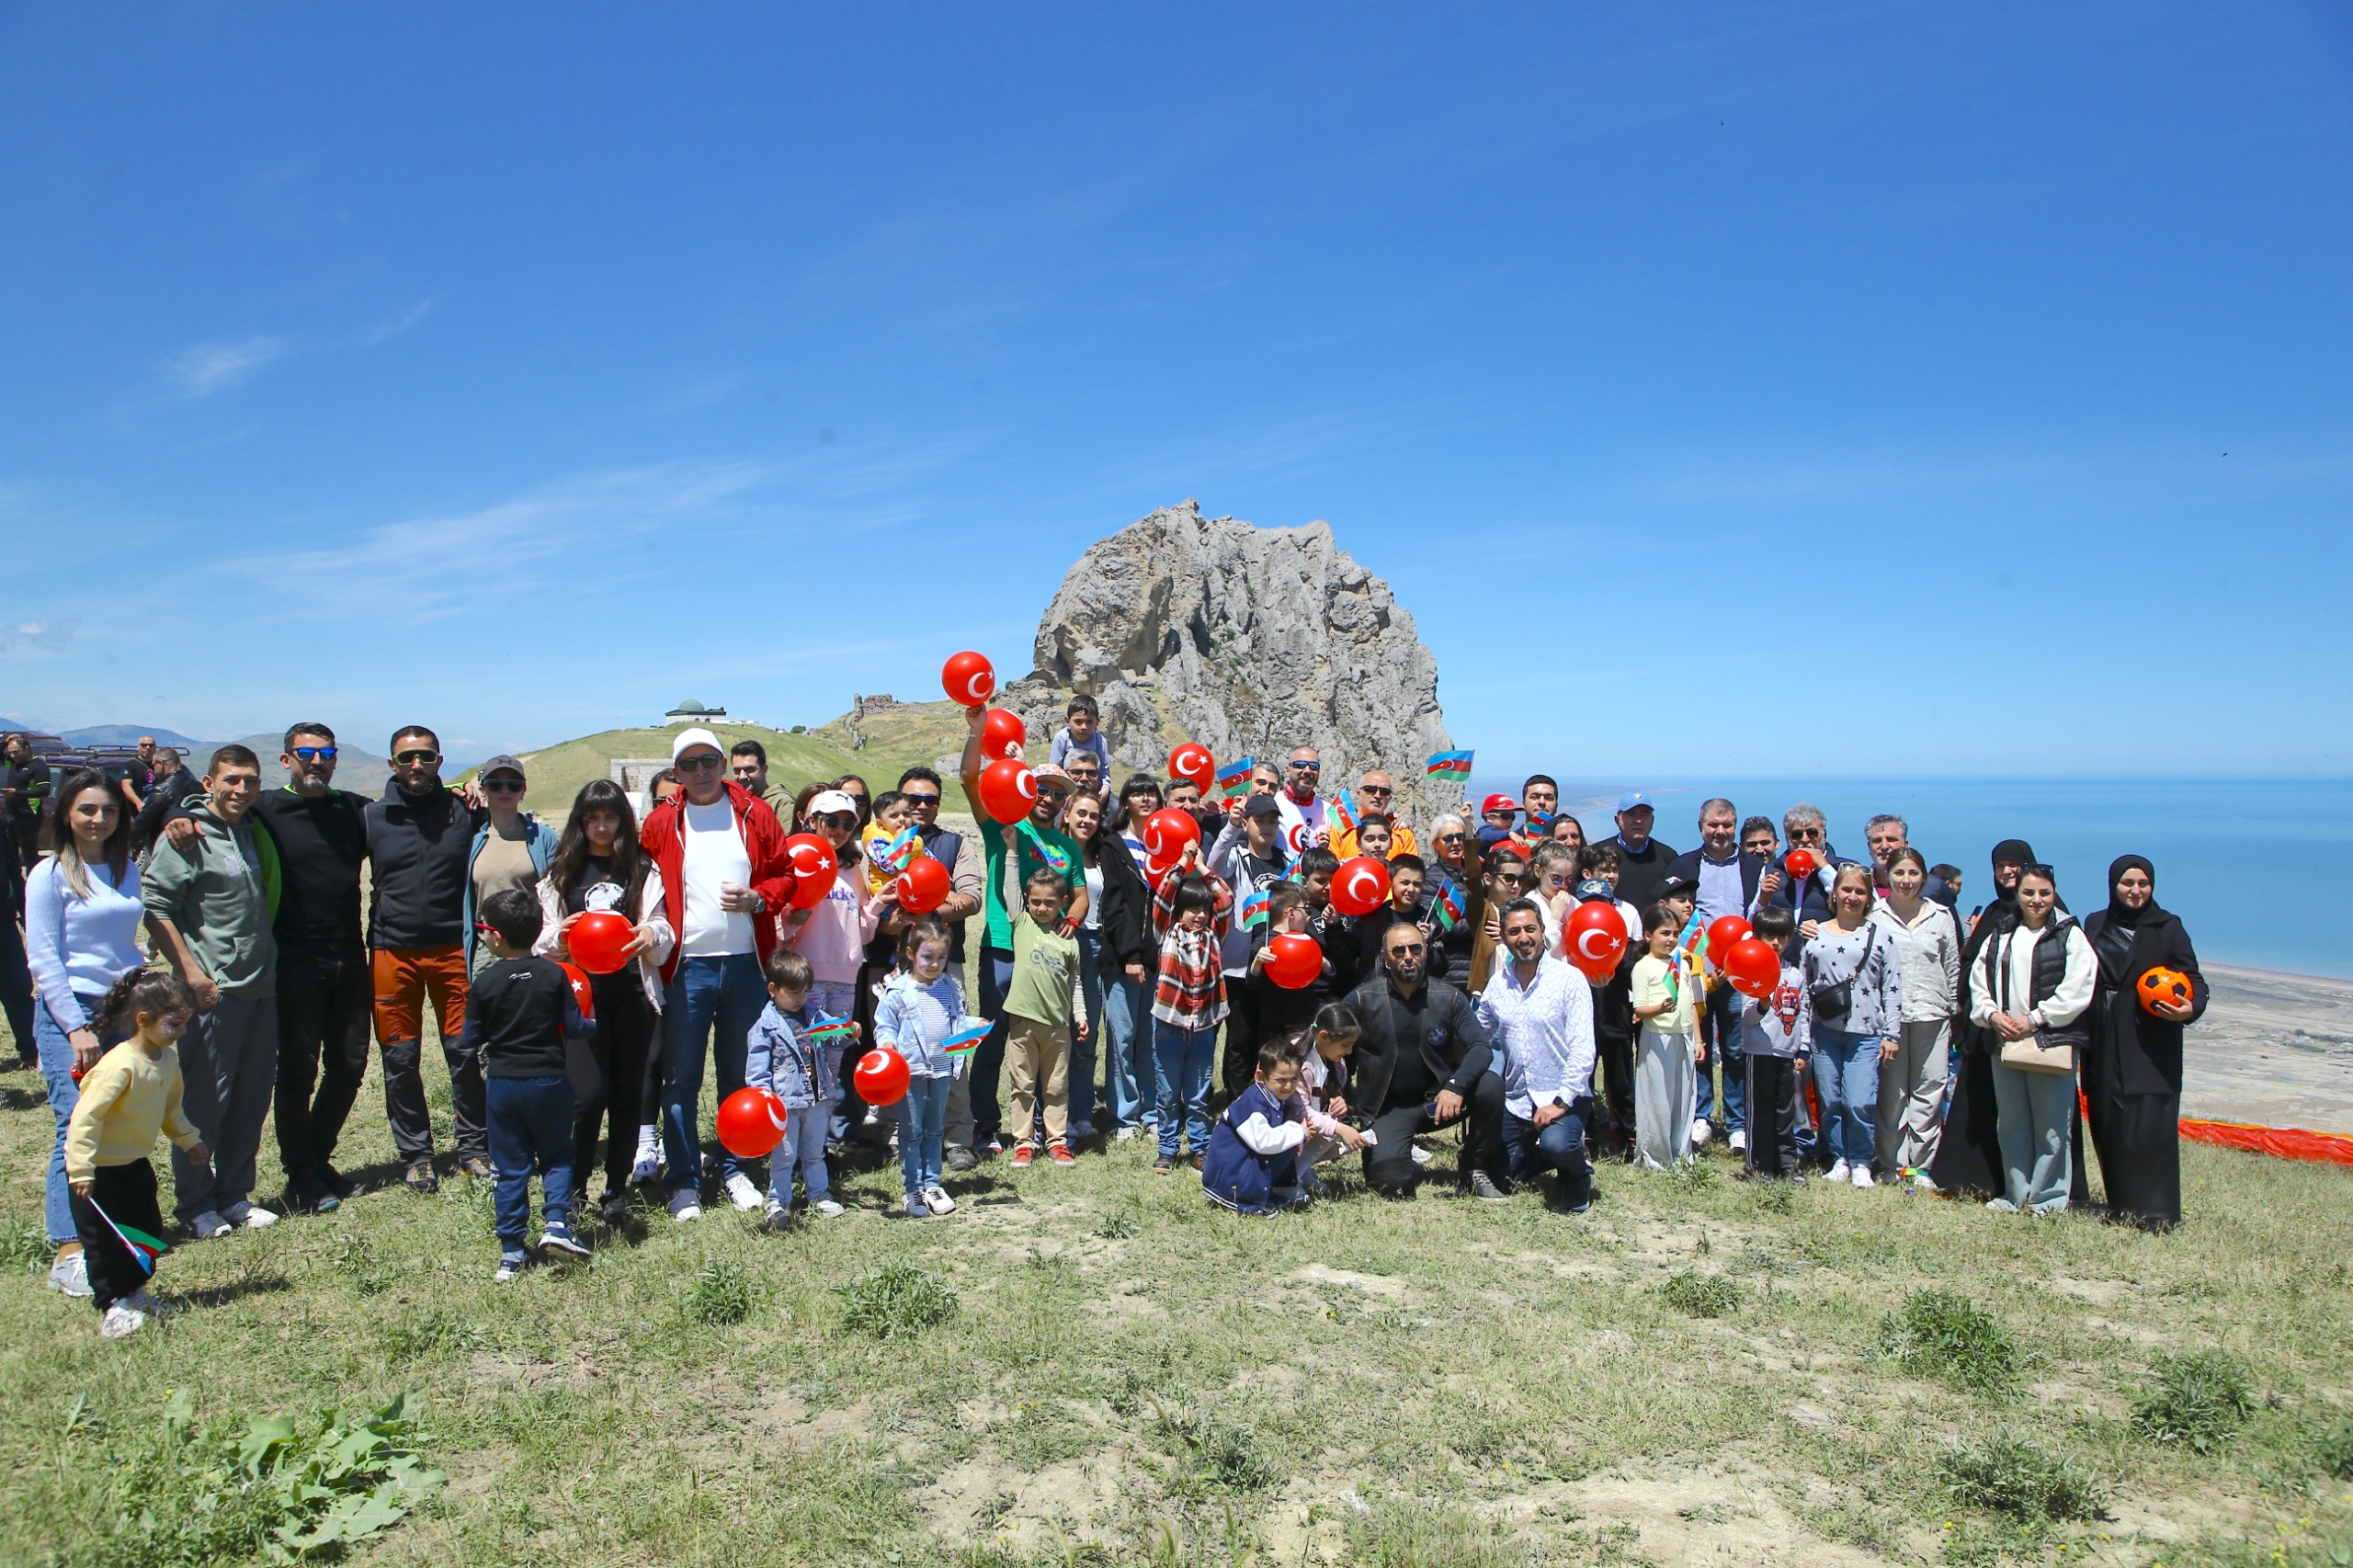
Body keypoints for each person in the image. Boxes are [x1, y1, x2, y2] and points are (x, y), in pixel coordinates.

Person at [639, 726, 796, 1222]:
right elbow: (644, 884)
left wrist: (758, 898)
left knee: (740, 1075)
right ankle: (684, 1181)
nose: (701, 771)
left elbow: (785, 874)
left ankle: (736, 1168)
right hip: (686, 968)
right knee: (681, 1078)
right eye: (689, 764)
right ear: (676, 772)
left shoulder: (754, 812)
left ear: (723, 764)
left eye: (709, 760)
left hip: (746, 966)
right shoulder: (662, 822)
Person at [142, 744, 281, 1237]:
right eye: (231, 780)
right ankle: (195, 1204)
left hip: (262, 985)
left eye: (250, 780)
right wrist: (192, 975)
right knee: (206, 1102)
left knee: (250, 1098)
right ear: (209, 783)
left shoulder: (251, 829)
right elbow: (155, 907)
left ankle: (234, 1195)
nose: (241, 789)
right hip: (213, 991)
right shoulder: (189, 836)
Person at [25, 768, 147, 1299]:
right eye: (88, 810)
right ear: (66, 814)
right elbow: (43, 955)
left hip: (123, 1009)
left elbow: (124, 943)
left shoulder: (124, 869)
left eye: (109, 810)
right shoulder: (49, 874)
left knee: (116, 1124)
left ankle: (113, 1231)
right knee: (74, 1127)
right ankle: (68, 1248)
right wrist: (74, 1026)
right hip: (72, 1009)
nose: (99, 819)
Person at [534, 778, 674, 1225]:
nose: (600, 826)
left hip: (633, 995)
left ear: (623, 821)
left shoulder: (642, 870)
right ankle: (573, 1188)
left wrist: (650, 933)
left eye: (610, 817)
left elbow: (663, 927)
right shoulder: (562, 873)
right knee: (587, 1096)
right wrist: (561, 936)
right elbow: (541, 939)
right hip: (581, 1000)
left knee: (627, 1095)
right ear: (580, 821)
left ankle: (616, 1190)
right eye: (592, 818)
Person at [247, 724, 372, 1216]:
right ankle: (300, 1174)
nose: (316, 761)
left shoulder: (353, 809)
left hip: (350, 954)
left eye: (326, 753)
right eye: (306, 753)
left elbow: (407, 807)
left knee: (350, 1064)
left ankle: (316, 1161)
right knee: (299, 1070)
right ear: (287, 760)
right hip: (295, 958)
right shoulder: (265, 808)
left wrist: (462, 790)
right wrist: (182, 813)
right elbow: (207, 805)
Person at [365, 725, 491, 1191]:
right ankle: (417, 1156)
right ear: (392, 763)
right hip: (391, 953)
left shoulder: (464, 811)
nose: (416, 765)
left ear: (439, 760)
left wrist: (475, 787)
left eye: (426, 756)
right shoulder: (371, 817)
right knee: (400, 1058)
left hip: (452, 950)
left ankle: (473, 1148)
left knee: (464, 1052)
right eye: (406, 758)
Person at [959, 707, 1087, 1157]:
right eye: (1041, 789)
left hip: (1047, 955)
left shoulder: (1068, 846)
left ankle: (1045, 1133)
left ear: (1065, 802)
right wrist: (980, 735)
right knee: (995, 1038)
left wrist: (1072, 920)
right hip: (1002, 947)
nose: (1048, 798)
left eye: (1057, 793)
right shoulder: (1004, 825)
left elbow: (1079, 895)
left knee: (1048, 1044)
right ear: (1028, 789)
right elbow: (969, 780)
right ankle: (985, 1126)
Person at [63, 971, 209, 1337]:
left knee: (144, 1231)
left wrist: (189, 1140)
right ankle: (113, 1304)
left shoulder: (167, 1060)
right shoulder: (119, 1065)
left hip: (134, 1165)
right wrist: (80, 1168)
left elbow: (171, 1110)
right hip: (98, 1172)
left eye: (186, 1022)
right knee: (105, 1243)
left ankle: (136, 1293)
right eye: (174, 1023)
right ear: (143, 1020)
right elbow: (85, 1118)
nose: (182, 1031)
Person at [464, 889, 594, 1279]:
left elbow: (470, 1038)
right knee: (558, 1154)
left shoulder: (484, 982)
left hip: (503, 1085)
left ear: (496, 937)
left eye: (482, 928)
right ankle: (556, 1223)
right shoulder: (554, 975)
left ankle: (511, 1251)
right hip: (549, 1080)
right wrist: (593, 1025)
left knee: (510, 1166)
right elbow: (574, 1027)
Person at [2081, 856, 2205, 1231]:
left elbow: (2195, 980)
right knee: (2107, 1118)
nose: (2135, 891)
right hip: (2102, 1034)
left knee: (2149, 1123)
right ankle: (2121, 1206)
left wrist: (2190, 1009)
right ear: (2113, 885)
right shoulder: (2095, 923)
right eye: (2128, 883)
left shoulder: (2168, 927)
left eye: (2143, 884)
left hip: (2150, 1041)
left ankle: (2156, 1214)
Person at [1344, 918, 1505, 1200]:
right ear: (1385, 957)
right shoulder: (1361, 999)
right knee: (1391, 1185)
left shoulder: (1450, 997)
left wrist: (1455, 1086)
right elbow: (1331, 1046)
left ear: (1426, 950)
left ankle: (1475, 1166)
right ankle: (1399, 1157)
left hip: (1440, 1102)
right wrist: (1340, 1092)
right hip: (1388, 1108)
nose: (1408, 956)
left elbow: (1481, 1047)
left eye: (1415, 948)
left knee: (1490, 1085)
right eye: (1399, 951)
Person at [1971, 865, 2094, 1215]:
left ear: (2054, 894)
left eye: (2044, 893)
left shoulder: (2070, 935)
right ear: (2017, 894)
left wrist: (2034, 1020)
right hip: (2005, 1040)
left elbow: (2078, 987)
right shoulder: (2001, 933)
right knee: (2011, 1123)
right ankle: (2016, 1194)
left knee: (2052, 1127)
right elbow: (1979, 980)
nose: (2036, 900)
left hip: (2050, 1041)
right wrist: (1993, 1016)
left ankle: (2048, 1200)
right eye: (2028, 892)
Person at [779, 790, 887, 1150]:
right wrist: (791, 921)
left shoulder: (853, 868)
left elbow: (861, 929)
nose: (840, 830)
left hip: (844, 978)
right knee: (803, 1062)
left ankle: (819, 1146)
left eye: (848, 823)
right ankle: (797, 1147)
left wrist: (878, 905)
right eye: (832, 821)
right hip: (804, 978)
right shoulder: (796, 859)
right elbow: (778, 925)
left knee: (832, 1064)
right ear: (812, 821)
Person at [1475, 898, 1597, 1211]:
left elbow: (1584, 1049)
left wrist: (1560, 1103)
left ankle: (1576, 1173)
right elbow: (1476, 1032)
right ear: (1504, 937)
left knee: (1558, 1143)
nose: (1523, 938)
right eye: (1514, 931)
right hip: (1517, 1098)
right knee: (1503, 1176)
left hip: (1563, 1094)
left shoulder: (1570, 979)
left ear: (1543, 930)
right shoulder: (1498, 984)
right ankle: (1544, 1153)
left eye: (1530, 929)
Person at [1931, 839, 2036, 1199]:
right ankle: (1974, 1180)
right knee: (1979, 1104)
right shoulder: (1993, 911)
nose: (2007, 871)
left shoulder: (2045, 911)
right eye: (1999, 866)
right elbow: (1973, 964)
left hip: (2026, 1030)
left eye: (2013, 864)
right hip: (1985, 1025)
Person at [893, 766, 987, 1170]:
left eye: (929, 799)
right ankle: (900, 1133)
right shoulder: (882, 842)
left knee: (954, 1049)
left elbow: (971, 898)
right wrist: (934, 901)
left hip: (947, 965)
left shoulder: (954, 844)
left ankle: (958, 1137)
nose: (920, 806)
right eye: (912, 799)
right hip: (893, 963)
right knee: (899, 1049)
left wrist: (922, 909)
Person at [1668, 799, 1765, 1151]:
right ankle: (1702, 1116)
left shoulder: (1754, 866)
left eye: (1727, 825)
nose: (1720, 831)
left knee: (1737, 1049)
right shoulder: (1684, 865)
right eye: (1713, 825)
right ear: (1701, 827)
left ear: (1735, 826)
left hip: (1739, 974)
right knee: (1699, 1046)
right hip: (1697, 970)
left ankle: (1737, 1123)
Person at [1801, 864, 1903, 1188]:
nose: (1852, 897)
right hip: (1824, 1032)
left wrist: (1892, 1034)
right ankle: (1839, 1158)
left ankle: (1861, 1161)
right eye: (1846, 889)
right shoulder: (1815, 934)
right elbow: (1804, 987)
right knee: (1829, 1100)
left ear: (1869, 897)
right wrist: (1802, 1037)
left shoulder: (1881, 937)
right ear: (1835, 893)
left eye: (1860, 891)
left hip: (1866, 1033)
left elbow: (1892, 987)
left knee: (1859, 1100)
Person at [1870, 847, 1960, 1184]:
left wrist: (1952, 1009)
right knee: (1892, 1093)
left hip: (1933, 1014)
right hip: (1889, 1019)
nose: (1906, 880)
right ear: (1888, 876)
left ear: (1923, 877)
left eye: (1913, 873)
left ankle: (1921, 1165)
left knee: (1929, 1088)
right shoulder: (1875, 916)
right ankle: (1891, 1164)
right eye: (1899, 873)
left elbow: (1951, 967)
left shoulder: (1941, 916)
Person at [871, 916, 970, 1218]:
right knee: (911, 1131)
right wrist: (887, 1044)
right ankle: (912, 1188)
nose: (935, 964)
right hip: (911, 1072)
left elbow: (958, 1020)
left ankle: (933, 1184)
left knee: (934, 1129)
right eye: (928, 957)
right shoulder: (899, 991)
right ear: (911, 954)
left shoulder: (949, 987)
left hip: (941, 1071)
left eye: (942, 957)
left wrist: (972, 1029)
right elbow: (884, 1025)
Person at [1070, 788, 1151, 1142]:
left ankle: (1113, 1111)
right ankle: (1077, 1111)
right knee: (1082, 1032)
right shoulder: (1057, 852)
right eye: (1081, 813)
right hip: (1074, 943)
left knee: (1116, 1032)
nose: (1088, 821)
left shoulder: (1104, 851)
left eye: (1094, 815)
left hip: (1106, 944)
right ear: (1067, 815)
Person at [1147, 845, 1232, 1171]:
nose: (1199, 915)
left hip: (1203, 1026)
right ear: (1179, 911)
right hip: (1169, 1022)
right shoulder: (1166, 931)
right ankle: (1167, 1148)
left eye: (1203, 910)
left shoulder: (1213, 934)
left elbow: (1225, 899)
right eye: (1192, 909)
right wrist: (1183, 862)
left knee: (1198, 1094)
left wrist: (1203, 867)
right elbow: (1163, 897)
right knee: (1168, 1092)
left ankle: (1200, 1147)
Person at [745, 949, 844, 1230]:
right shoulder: (765, 1027)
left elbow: (834, 1037)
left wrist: (847, 1031)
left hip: (816, 1099)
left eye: (805, 991)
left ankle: (819, 1194)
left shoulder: (814, 1015)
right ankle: (778, 1201)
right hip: (785, 1104)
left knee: (815, 1151)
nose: (801, 998)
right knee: (785, 1155)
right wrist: (764, 1101)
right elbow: (757, 1071)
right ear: (773, 989)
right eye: (793, 992)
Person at [1205, 791, 1291, 1099]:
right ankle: (1238, 1098)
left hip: (1275, 963)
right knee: (1238, 1037)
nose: (1266, 827)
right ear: (1246, 823)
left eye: (1272, 821)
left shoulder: (1285, 862)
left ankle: (1264, 1095)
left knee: (1264, 1035)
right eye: (1260, 820)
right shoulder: (1237, 856)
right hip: (1239, 965)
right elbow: (1213, 867)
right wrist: (1229, 828)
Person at [1005, 869, 1086, 1168]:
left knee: (1056, 1087)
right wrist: (1012, 852)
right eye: (1035, 901)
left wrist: (1081, 1015)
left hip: (1058, 1027)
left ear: (1063, 901)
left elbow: (1075, 982)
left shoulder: (1069, 940)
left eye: (1049, 902)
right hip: (1023, 1022)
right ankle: (1023, 1144)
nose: (1041, 908)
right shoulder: (1022, 922)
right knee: (1022, 1086)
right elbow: (1010, 887)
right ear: (1026, 899)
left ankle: (1057, 1141)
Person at [462, 756, 556, 978]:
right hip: (488, 949)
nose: (505, 790)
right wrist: (460, 786)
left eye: (513, 785)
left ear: (523, 791)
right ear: (483, 789)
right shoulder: (472, 841)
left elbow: (556, 894)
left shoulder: (544, 838)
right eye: (496, 785)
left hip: (532, 948)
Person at [1739, 905, 1810, 1182]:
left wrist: (1803, 1048)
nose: (1776, 943)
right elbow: (1748, 1017)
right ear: (1757, 938)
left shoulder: (1795, 975)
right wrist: (1762, 1005)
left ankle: (1786, 1164)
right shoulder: (1752, 970)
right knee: (1761, 1110)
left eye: (1782, 937)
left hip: (1787, 1051)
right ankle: (1761, 1165)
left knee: (1784, 1111)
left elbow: (1803, 1014)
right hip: (1759, 1051)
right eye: (1769, 936)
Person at [1200, 1040, 1309, 1214]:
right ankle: (1243, 1199)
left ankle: (1264, 1190)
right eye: (1281, 1080)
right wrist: (1298, 1130)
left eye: (1294, 1079)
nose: (1289, 1086)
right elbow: (1262, 1142)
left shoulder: (1272, 1097)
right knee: (1287, 1141)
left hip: (1242, 1167)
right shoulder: (1254, 1103)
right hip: (1228, 1179)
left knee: (1289, 1145)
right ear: (1261, 1076)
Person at [1629, 903, 1699, 1170]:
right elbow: (1640, 1009)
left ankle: (1680, 1152)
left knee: (1683, 1097)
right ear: (1648, 935)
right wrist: (1660, 1008)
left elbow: (1691, 1003)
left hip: (1683, 1036)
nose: (1671, 939)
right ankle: (1654, 1157)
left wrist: (1699, 1039)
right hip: (1658, 1039)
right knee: (1657, 1099)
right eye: (1665, 933)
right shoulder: (1643, 967)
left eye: (1675, 933)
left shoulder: (1680, 962)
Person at [1756, 805, 1836, 936]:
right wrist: (1763, 899)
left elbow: (1853, 906)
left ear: (1824, 835)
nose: (1805, 839)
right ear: (1788, 839)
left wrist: (1824, 868)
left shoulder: (1842, 869)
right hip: (1781, 946)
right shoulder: (1771, 869)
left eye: (1812, 833)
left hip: (1823, 945)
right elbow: (1752, 921)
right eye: (1797, 834)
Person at [1607, 791, 1677, 913]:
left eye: (1644, 815)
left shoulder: (1669, 857)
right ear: (1617, 820)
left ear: (1652, 821)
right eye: (1630, 815)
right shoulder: (1600, 854)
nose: (1638, 821)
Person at [1331, 770, 1417, 859]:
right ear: (1359, 794)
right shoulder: (1340, 829)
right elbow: (1332, 866)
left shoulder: (1403, 833)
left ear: (1390, 798)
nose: (1378, 795)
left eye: (1384, 791)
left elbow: (1411, 867)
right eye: (1370, 790)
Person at [1, 732, 52, 876]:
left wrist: (17, 793)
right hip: (12, 814)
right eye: (10, 752)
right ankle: (16, 882)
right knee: (10, 852)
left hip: (28, 815)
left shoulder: (38, 766)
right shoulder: (13, 763)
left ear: (27, 749)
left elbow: (44, 790)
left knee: (29, 853)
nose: (12, 755)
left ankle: (33, 881)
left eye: (16, 752)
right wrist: (5, 742)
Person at [129, 746, 190, 855]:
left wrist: (123, 844)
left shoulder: (160, 791)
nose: (153, 769)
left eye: (153, 765)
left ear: (161, 764)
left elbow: (142, 823)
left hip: (168, 851)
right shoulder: (198, 787)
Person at [1273, 747, 1328, 860]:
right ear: (1287, 770)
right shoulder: (1273, 802)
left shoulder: (1329, 810)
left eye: (1313, 766)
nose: (1307, 771)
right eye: (1300, 765)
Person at [729, 739, 798, 823]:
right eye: (737, 771)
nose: (742, 776)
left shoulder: (782, 804)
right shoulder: (730, 802)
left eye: (750, 770)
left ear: (764, 769)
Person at [1050, 693, 1112, 778]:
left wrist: (1104, 787)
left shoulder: (1100, 741)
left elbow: (1104, 773)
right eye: (1078, 721)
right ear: (1067, 720)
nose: (1084, 727)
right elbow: (1054, 771)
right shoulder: (1062, 739)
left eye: (1089, 722)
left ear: (1097, 722)